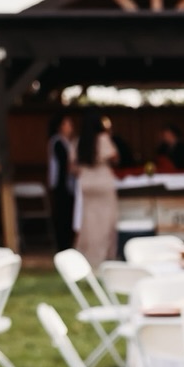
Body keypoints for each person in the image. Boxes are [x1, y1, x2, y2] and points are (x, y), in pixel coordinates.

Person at [74, 112, 120, 264]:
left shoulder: (78, 142)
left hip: (86, 184)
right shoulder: (102, 138)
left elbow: (72, 167)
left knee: (89, 222)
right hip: (103, 183)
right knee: (106, 222)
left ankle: (87, 256)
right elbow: (115, 157)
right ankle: (103, 257)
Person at [47, 112, 76, 252]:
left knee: (69, 216)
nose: (70, 126)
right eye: (67, 123)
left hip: (68, 185)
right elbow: (65, 165)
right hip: (61, 185)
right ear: (60, 127)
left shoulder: (68, 142)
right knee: (62, 215)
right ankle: (63, 247)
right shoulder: (57, 142)